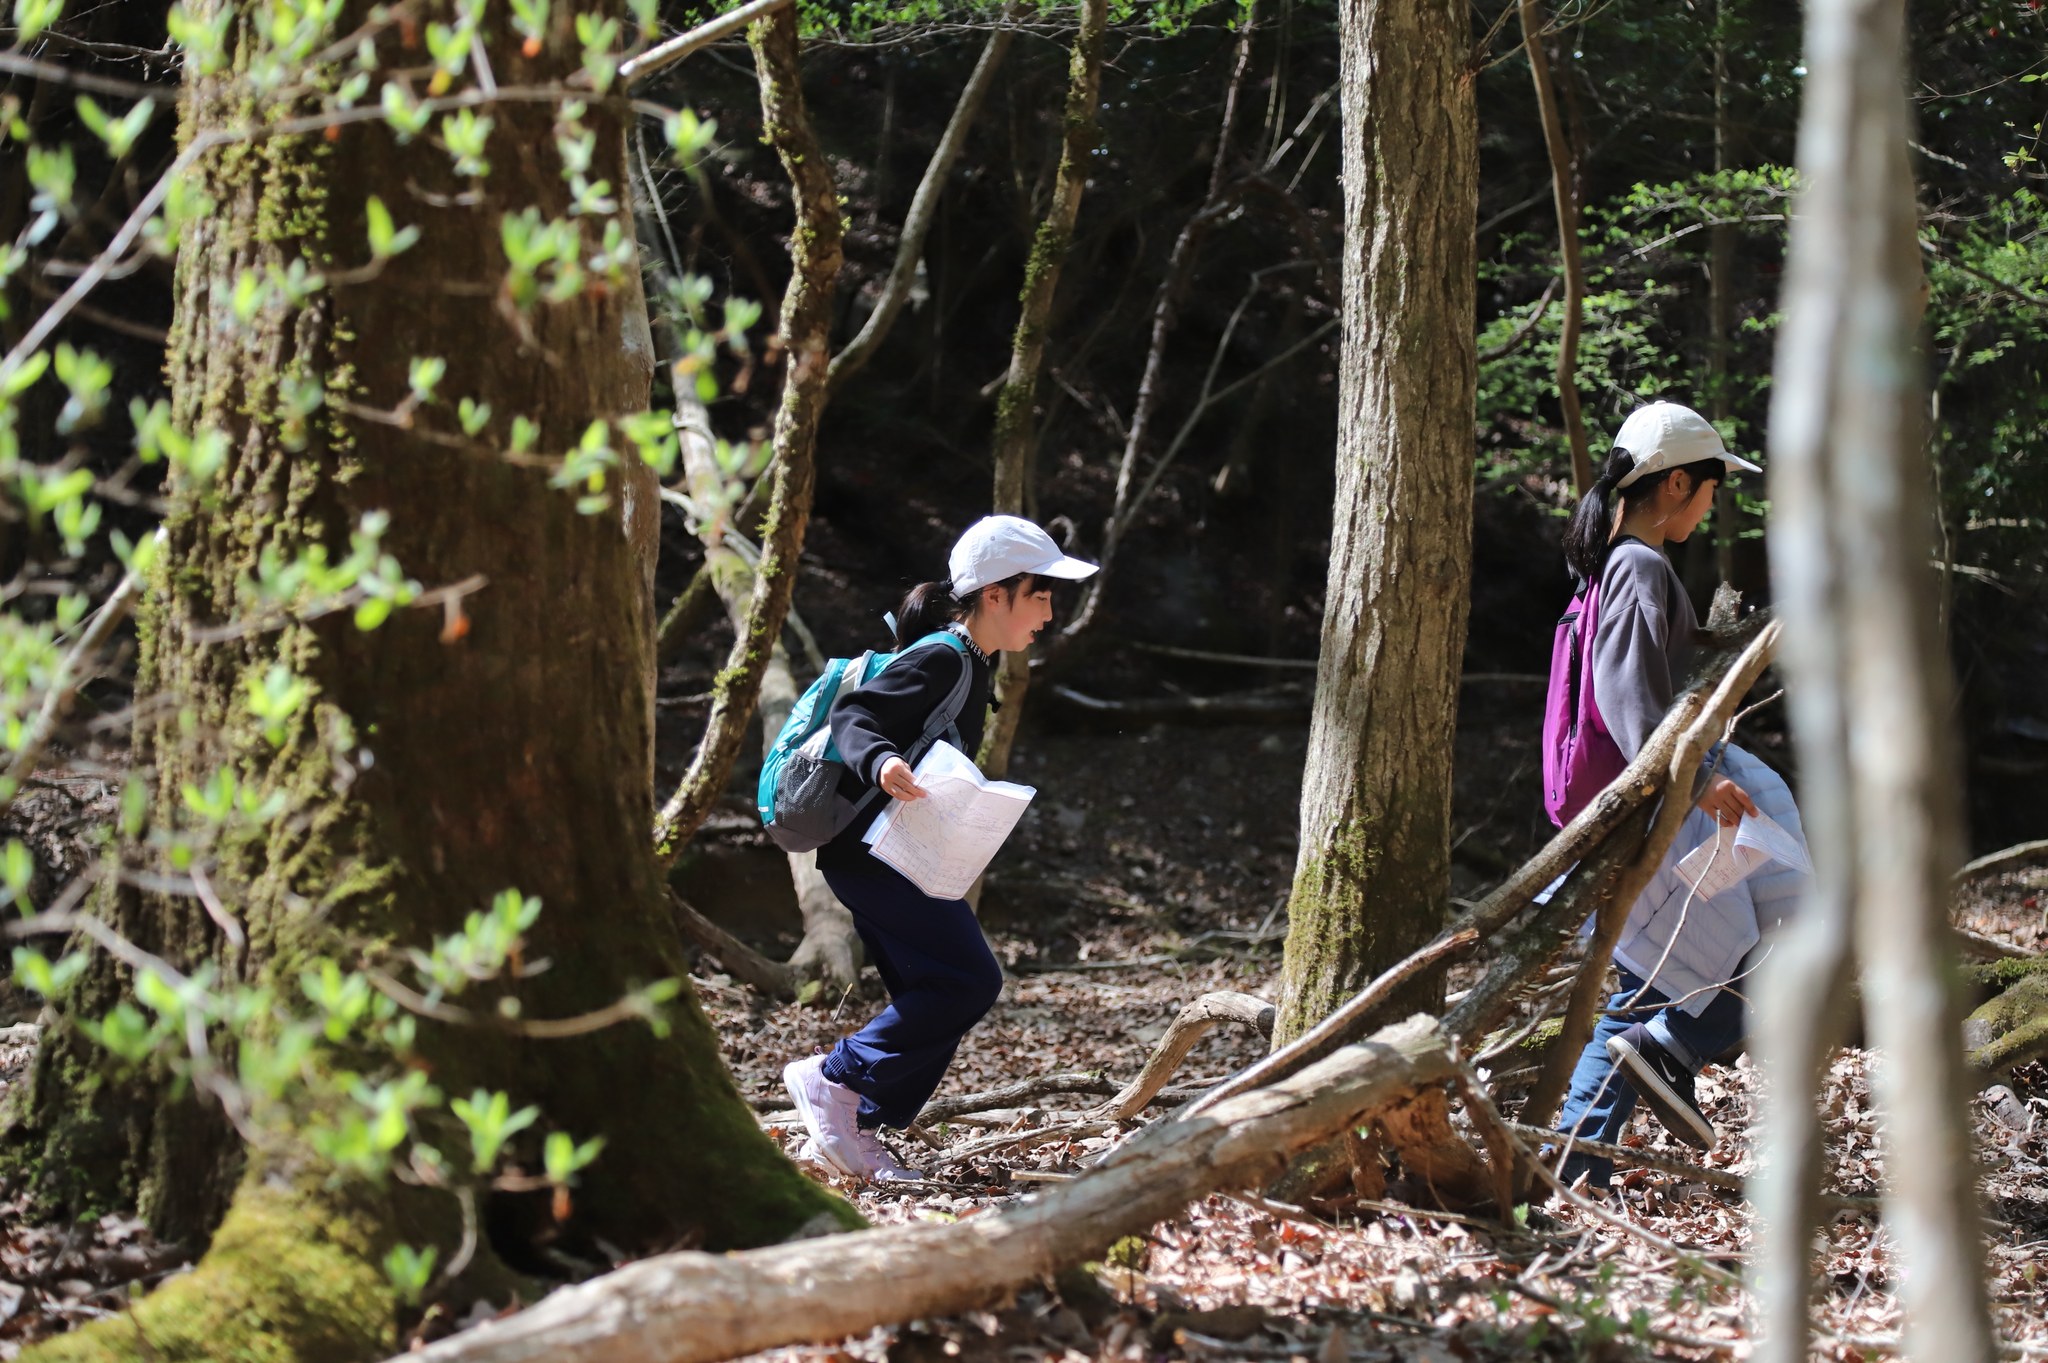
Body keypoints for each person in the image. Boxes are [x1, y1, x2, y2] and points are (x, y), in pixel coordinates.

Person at [783, 515, 1097, 1183]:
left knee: (933, 990)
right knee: (968, 980)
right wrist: (882, 762)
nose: (1049, 613)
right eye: (1041, 595)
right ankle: (831, 1079)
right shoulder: (945, 656)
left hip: (895, 854)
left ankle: (852, 1130)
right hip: (873, 854)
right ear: (996, 595)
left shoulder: (974, 663)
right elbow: (854, 715)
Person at [1546, 402, 1811, 1189]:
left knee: (1651, 989)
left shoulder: (1620, 565)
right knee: (1788, 928)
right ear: (1676, 485)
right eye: (1711, 486)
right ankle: (1668, 1055)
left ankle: (1576, 1163)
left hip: (1648, 804)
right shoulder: (1638, 566)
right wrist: (1697, 780)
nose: (1713, 501)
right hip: (1660, 804)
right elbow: (1625, 690)